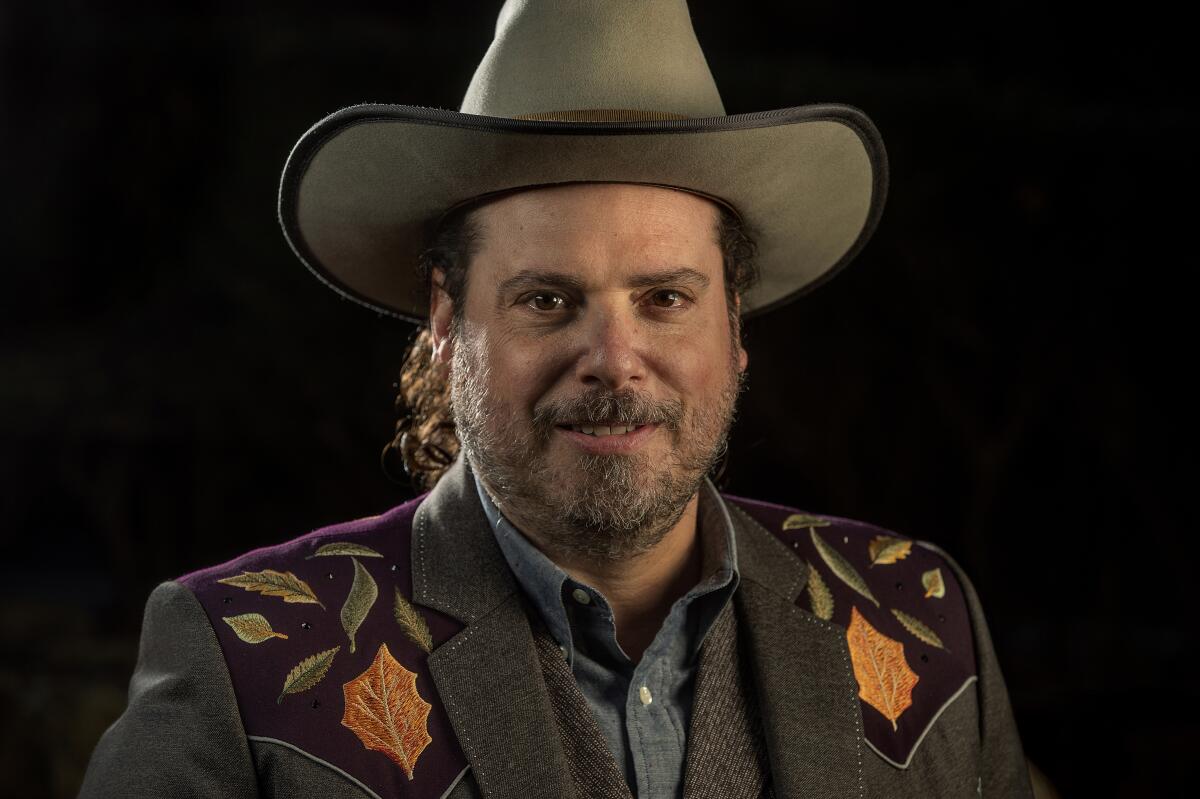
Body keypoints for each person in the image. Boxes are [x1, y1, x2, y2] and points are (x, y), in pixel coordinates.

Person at [80, 1, 1035, 797]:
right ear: (446, 318)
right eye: (547, 299)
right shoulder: (243, 665)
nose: (615, 361)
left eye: (665, 299)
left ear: (735, 328)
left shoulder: (923, 623)